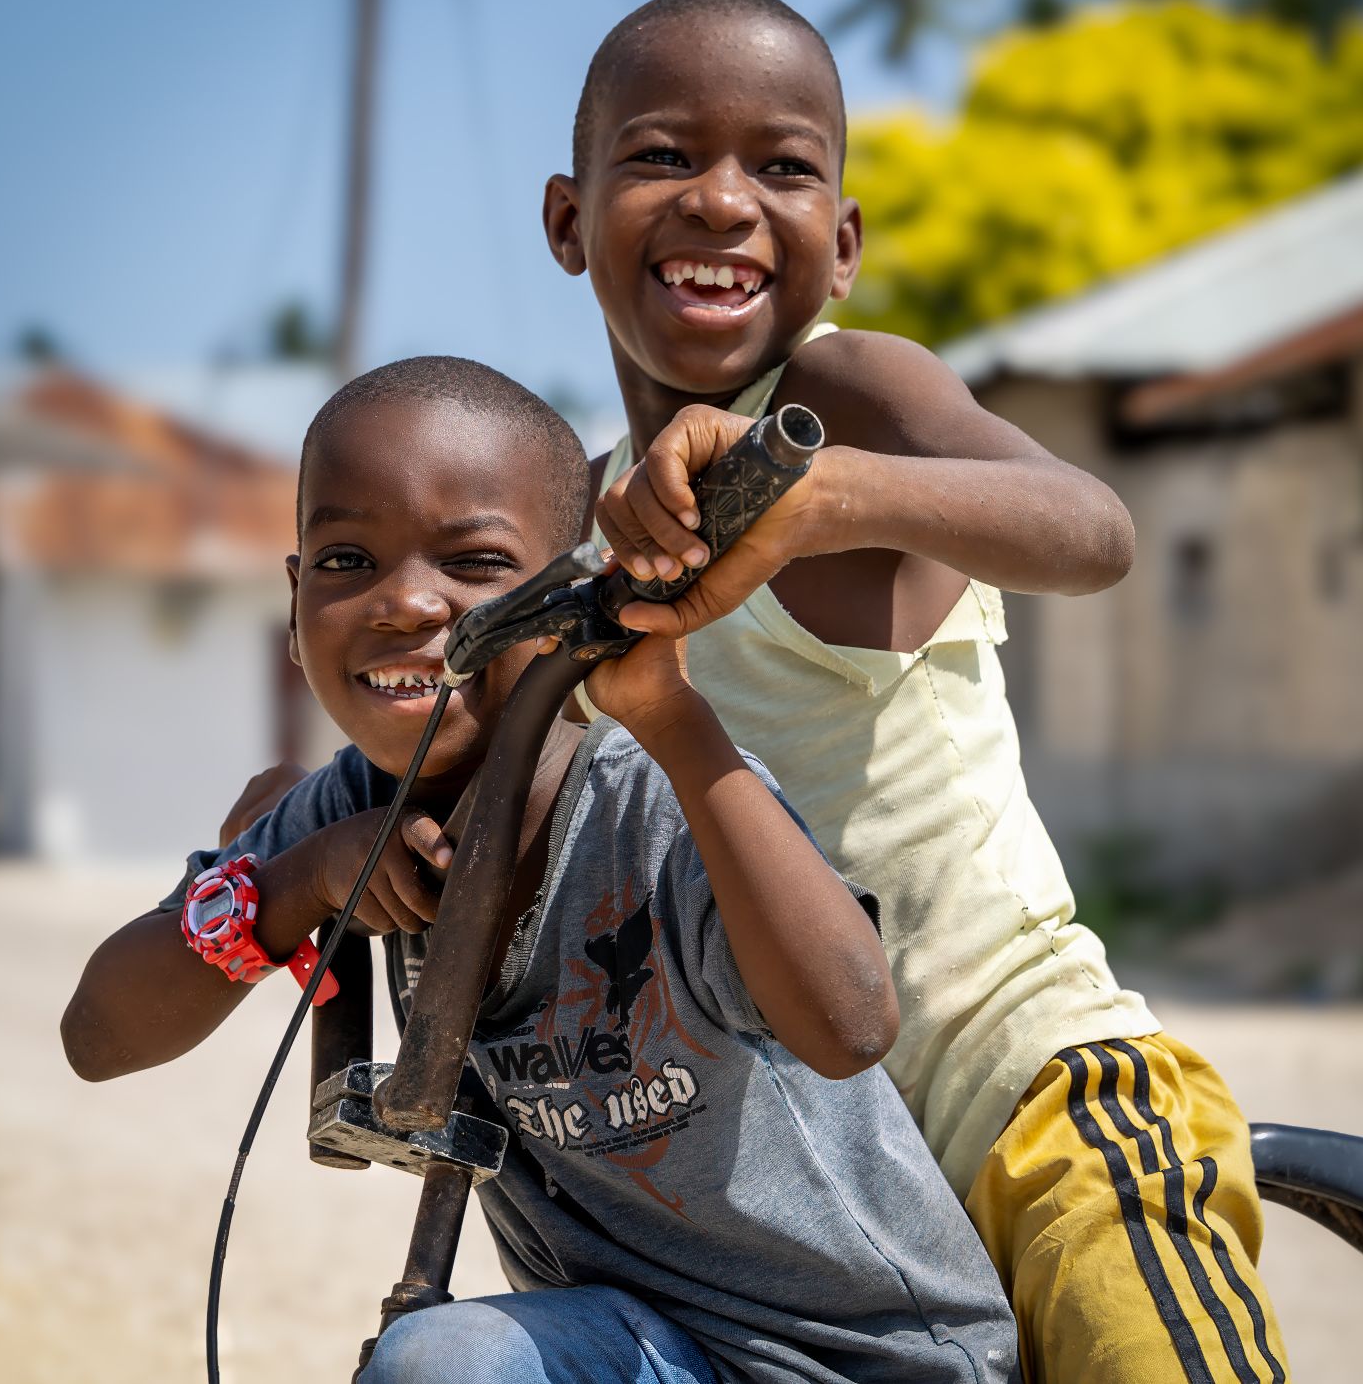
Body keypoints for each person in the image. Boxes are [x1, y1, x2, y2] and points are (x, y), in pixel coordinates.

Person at [542, 0, 1289, 1383]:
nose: (720, 200)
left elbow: (1095, 532)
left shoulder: (854, 403)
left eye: (783, 165)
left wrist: (827, 497)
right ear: (568, 222)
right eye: (659, 156)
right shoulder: (578, 541)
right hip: (804, 1224)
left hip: (1040, 1106)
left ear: (845, 243)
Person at [61, 357, 1019, 1384]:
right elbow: (99, 1035)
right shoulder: (343, 814)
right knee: (441, 1362)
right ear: (295, 606)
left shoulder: (648, 797)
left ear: (576, 586)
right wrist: (295, 886)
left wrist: (674, 718)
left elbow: (851, 1023)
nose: (406, 603)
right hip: (635, 1350)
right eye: (346, 561)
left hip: (870, 1358)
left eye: (473, 564)